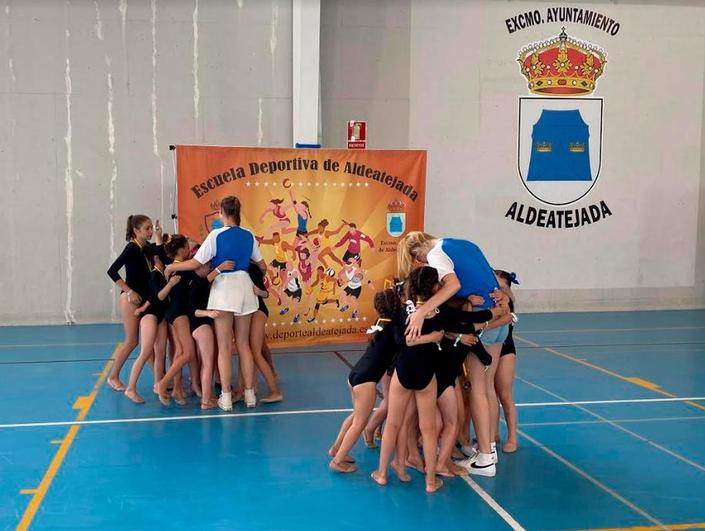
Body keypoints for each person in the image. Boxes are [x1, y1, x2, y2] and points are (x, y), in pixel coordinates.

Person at [166, 196, 266, 411]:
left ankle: (227, 396)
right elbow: (262, 265)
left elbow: (196, 263)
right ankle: (249, 395)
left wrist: (172, 267)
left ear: (222, 211)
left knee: (223, 347)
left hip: (224, 290)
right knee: (243, 344)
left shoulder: (216, 235)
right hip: (245, 288)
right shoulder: (249, 235)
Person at [106, 215, 160, 391]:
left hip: (145, 299)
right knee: (132, 341)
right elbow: (112, 271)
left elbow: (161, 253)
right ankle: (113, 376)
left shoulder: (147, 248)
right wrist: (129, 291)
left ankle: (158, 380)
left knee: (148, 341)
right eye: (147, 228)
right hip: (131, 299)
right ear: (136, 231)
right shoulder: (131, 248)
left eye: (151, 227)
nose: (150, 231)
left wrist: (159, 236)